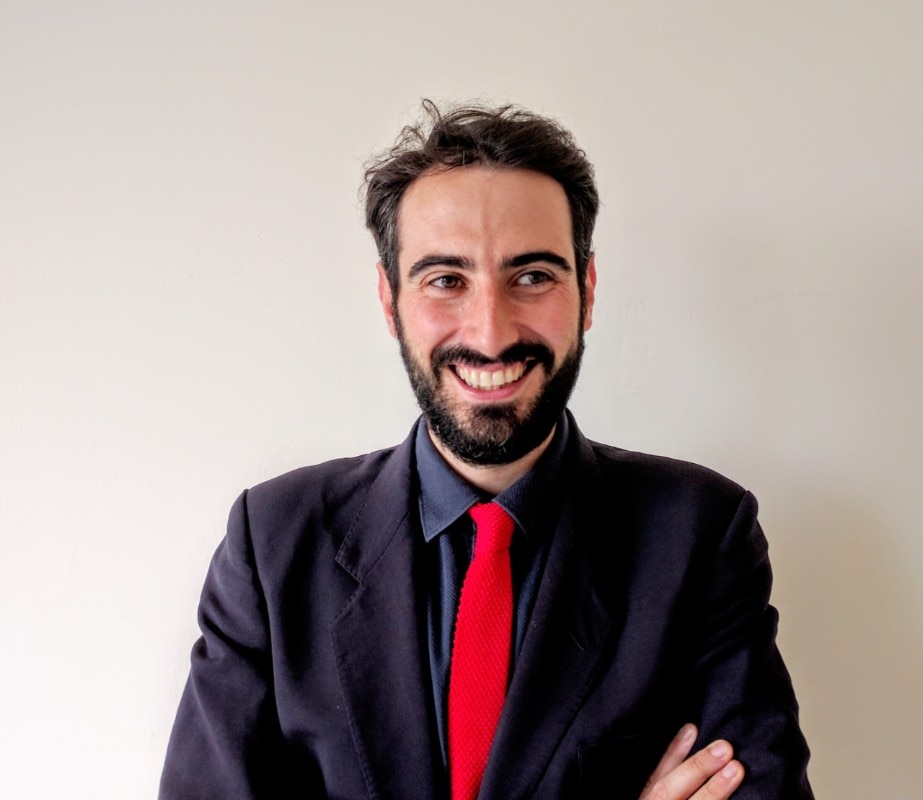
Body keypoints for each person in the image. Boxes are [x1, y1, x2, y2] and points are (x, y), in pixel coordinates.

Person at [160, 101, 813, 800]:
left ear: (587, 291)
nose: (491, 333)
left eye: (532, 277)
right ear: (390, 300)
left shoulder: (701, 534)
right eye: (446, 280)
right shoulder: (272, 543)